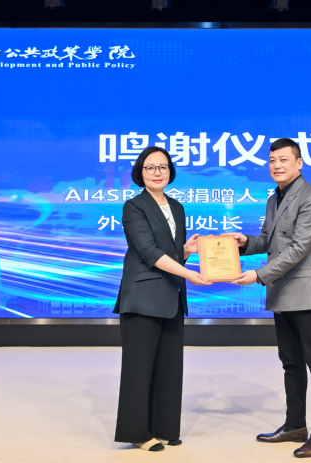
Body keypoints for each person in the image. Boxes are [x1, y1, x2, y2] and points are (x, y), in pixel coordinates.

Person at [227, 138, 311, 458]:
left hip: (306, 293)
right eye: (272, 160)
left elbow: (299, 249)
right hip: (282, 292)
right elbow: (270, 240)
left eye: (283, 160)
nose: (276, 165)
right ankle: (295, 425)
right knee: (290, 363)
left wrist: (259, 275)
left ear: (299, 163)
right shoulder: (274, 198)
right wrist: (246, 242)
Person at [113, 146, 211, 452]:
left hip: (171, 294)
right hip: (142, 296)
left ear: (170, 172)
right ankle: (137, 432)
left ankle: (165, 427)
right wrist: (189, 273)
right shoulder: (134, 207)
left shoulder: (177, 207)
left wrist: (187, 251)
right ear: (140, 173)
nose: (157, 173)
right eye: (150, 167)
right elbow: (149, 252)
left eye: (163, 167)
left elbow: (170, 254)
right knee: (139, 368)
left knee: (170, 366)